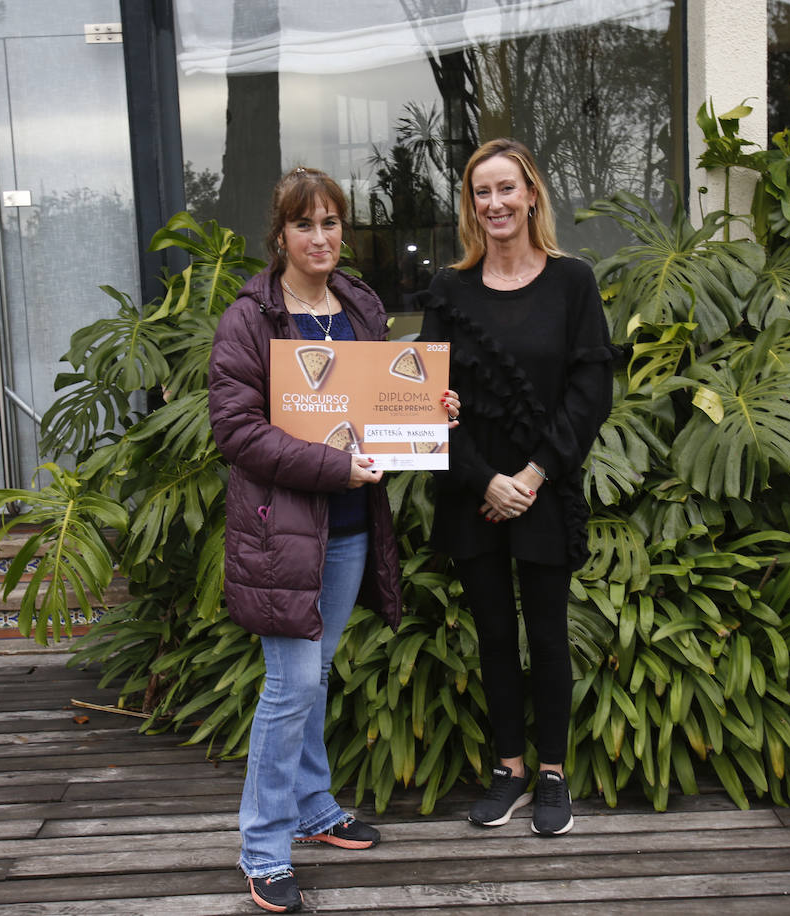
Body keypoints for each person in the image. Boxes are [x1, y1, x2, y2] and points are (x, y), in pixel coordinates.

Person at [208, 167, 460, 913]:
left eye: (330, 222)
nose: (320, 238)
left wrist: (426, 412)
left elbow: (373, 398)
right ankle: (261, 847)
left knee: (315, 675)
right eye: (304, 225)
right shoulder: (249, 318)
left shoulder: (359, 303)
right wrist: (332, 464)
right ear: (279, 235)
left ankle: (314, 806)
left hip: (349, 528)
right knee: (289, 687)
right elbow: (237, 432)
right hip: (280, 534)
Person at [419, 139, 615, 837]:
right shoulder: (449, 290)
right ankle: (508, 769)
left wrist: (530, 477)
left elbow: (591, 391)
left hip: (543, 486)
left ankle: (554, 773)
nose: (495, 204)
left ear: (532, 194)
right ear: (471, 206)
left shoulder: (573, 283)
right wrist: (485, 479)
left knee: (548, 634)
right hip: (474, 490)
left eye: (507, 189)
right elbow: (427, 399)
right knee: (495, 635)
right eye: (481, 193)